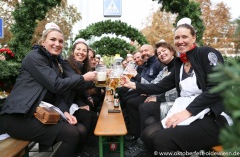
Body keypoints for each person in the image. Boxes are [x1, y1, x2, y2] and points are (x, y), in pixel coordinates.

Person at [121, 18, 232, 156]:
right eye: (177, 38)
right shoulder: (180, 64)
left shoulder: (206, 53)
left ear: (194, 37)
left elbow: (217, 87)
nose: (180, 41)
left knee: (162, 140)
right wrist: (131, 84)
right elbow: (159, 87)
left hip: (213, 115)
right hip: (187, 109)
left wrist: (188, 111)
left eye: (184, 36)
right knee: (148, 134)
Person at [0, 23, 97, 157]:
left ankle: (36, 154)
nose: (57, 44)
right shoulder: (34, 57)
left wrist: (65, 112)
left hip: (36, 113)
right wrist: (83, 78)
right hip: (18, 116)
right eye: (53, 39)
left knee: (79, 129)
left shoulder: (54, 62)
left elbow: (57, 94)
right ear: (43, 41)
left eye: (61, 41)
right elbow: (56, 85)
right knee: (72, 134)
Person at [124, 42, 177, 144]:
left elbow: (176, 90)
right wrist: (134, 85)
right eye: (159, 53)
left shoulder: (178, 66)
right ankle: (138, 136)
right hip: (158, 96)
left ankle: (141, 140)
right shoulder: (165, 68)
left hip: (174, 101)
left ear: (172, 51)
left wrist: (157, 98)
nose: (161, 54)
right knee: (131, 101)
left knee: (143, 107)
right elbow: (154, 84)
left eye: (164, 51)